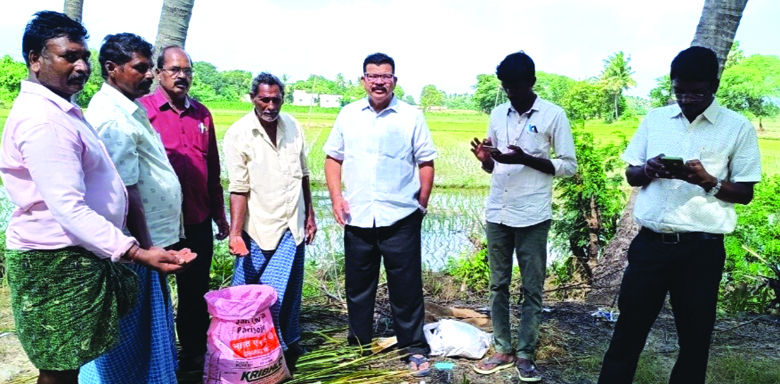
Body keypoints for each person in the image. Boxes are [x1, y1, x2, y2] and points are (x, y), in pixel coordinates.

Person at [0, 12, 191, 384]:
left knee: (69, 361)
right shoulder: (45, 122)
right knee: (60, 367)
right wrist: (137, 250)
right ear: (35, 59)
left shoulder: (64, 111)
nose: (81, 66)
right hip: (57, 261)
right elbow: (67, 207)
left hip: (78, 255)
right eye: (68, 56)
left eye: (83, 56)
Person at [598, 46, 761, 384]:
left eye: (696, 92)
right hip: (650, 247)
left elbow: (744, 194)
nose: (687, 98)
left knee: (695, 337)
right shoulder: (655, 119)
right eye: (680, 90)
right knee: (628, 331)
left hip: (701, 250)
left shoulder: (737, 127)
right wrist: (649, 169)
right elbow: (632, 176)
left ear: (714, 86)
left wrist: (708, 182)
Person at [79, 33, 186, 384]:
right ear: (111, 69)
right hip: (133, 246)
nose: (149, 75)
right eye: (140, 68)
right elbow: (127, 192)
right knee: (130, 333)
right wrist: (145, 247)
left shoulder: (130, 108)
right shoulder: (112, 118)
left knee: (146, 328)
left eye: (148, 68)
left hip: (145, 243)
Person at [323, 52, 437, 376]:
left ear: (394, 81)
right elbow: (333, 159)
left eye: (385, 76)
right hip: (357, 218)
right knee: (359, 288)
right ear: (363, 80)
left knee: (406, 287)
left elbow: (426, 162)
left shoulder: (411, 116)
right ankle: (358, 345)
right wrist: (336, 199)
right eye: (372, 76)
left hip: (400, 218)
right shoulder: (348, 115)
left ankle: (413, 348)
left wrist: (421, 204)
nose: (379, 81)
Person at [470, 51, 577, 382]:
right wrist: (484, 158)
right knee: (497, 284)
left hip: (532, 214)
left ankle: (526, 353)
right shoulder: (498, 113)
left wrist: (527, 159)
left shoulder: (553, 115)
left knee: (532, 288)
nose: (510, 92)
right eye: (505, 86)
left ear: (531, 82)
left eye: (516, 86)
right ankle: (502, 348)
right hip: (498, 212)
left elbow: (569, 167)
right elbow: (495, 166)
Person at [138, 46, 229, 373]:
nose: (181, 76)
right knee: (152, 296)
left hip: (197, 219)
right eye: (174, 69)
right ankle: (153, 360)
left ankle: (192, 357)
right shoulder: (142, 112)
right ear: (159, 73)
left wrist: (219, 214)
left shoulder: (203, 114)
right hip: (155, 225)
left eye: (187, 70)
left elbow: (212, 168)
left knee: (195, 293)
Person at [223, 72, 316, 371]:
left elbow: (303, 175)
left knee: (290, 292)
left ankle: (286, 343)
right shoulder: (238, 134)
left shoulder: (292, 126)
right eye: (265, 99)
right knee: (262, 295)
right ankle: (255, 349)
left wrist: (310, 215)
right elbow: (238, 188)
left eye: (276, 99)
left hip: (293, 224)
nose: (271, 105)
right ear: (253, 98)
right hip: (260, 228)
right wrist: (235, 233)